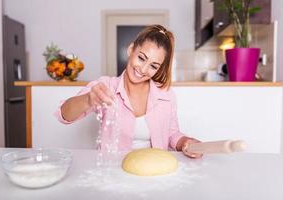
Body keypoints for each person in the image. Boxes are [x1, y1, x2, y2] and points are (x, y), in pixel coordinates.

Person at [56, 24, 202, 159]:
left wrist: (185, 142)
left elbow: (172, 134)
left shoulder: (166, 96)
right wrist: (88, 99)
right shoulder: (106, 86)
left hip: (154, 173)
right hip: (113, 172)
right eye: (141, 58)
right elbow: (63, 115)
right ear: (131, 49)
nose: (143, 69)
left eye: (153, 66)